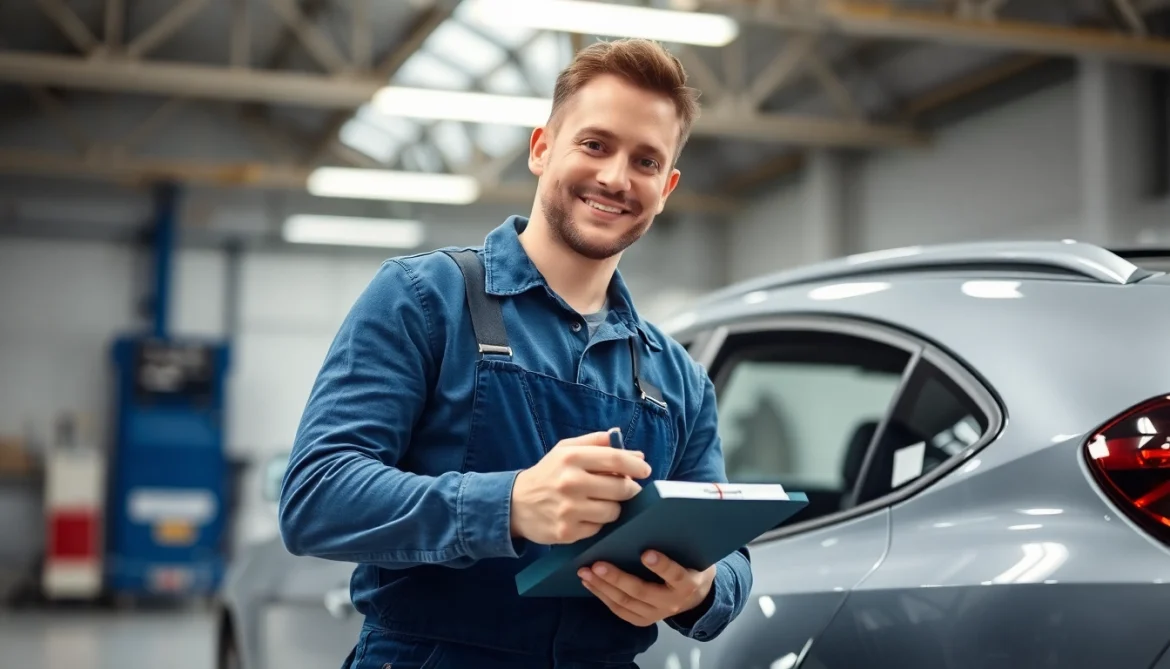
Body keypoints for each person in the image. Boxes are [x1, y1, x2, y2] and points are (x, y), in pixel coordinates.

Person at [278, 37, 752, 669]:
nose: (616, 178)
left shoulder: (680, 379)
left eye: (645, 161)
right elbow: (317, 496)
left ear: (665, 187)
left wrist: (702, 589)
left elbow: (730, 555)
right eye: (595, 144)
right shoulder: (424, 298)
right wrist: (508, 505)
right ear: (541, 148)